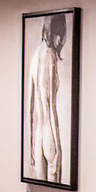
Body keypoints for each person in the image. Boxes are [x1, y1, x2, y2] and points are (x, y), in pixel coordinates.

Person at [26, 14, 67, 182]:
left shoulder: (35, 57)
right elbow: (51, 107)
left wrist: (30, 145)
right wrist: (58, 148)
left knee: (39, 190)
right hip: (49, 135)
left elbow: (29, 109)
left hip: (38, 136)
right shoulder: (49, 56)